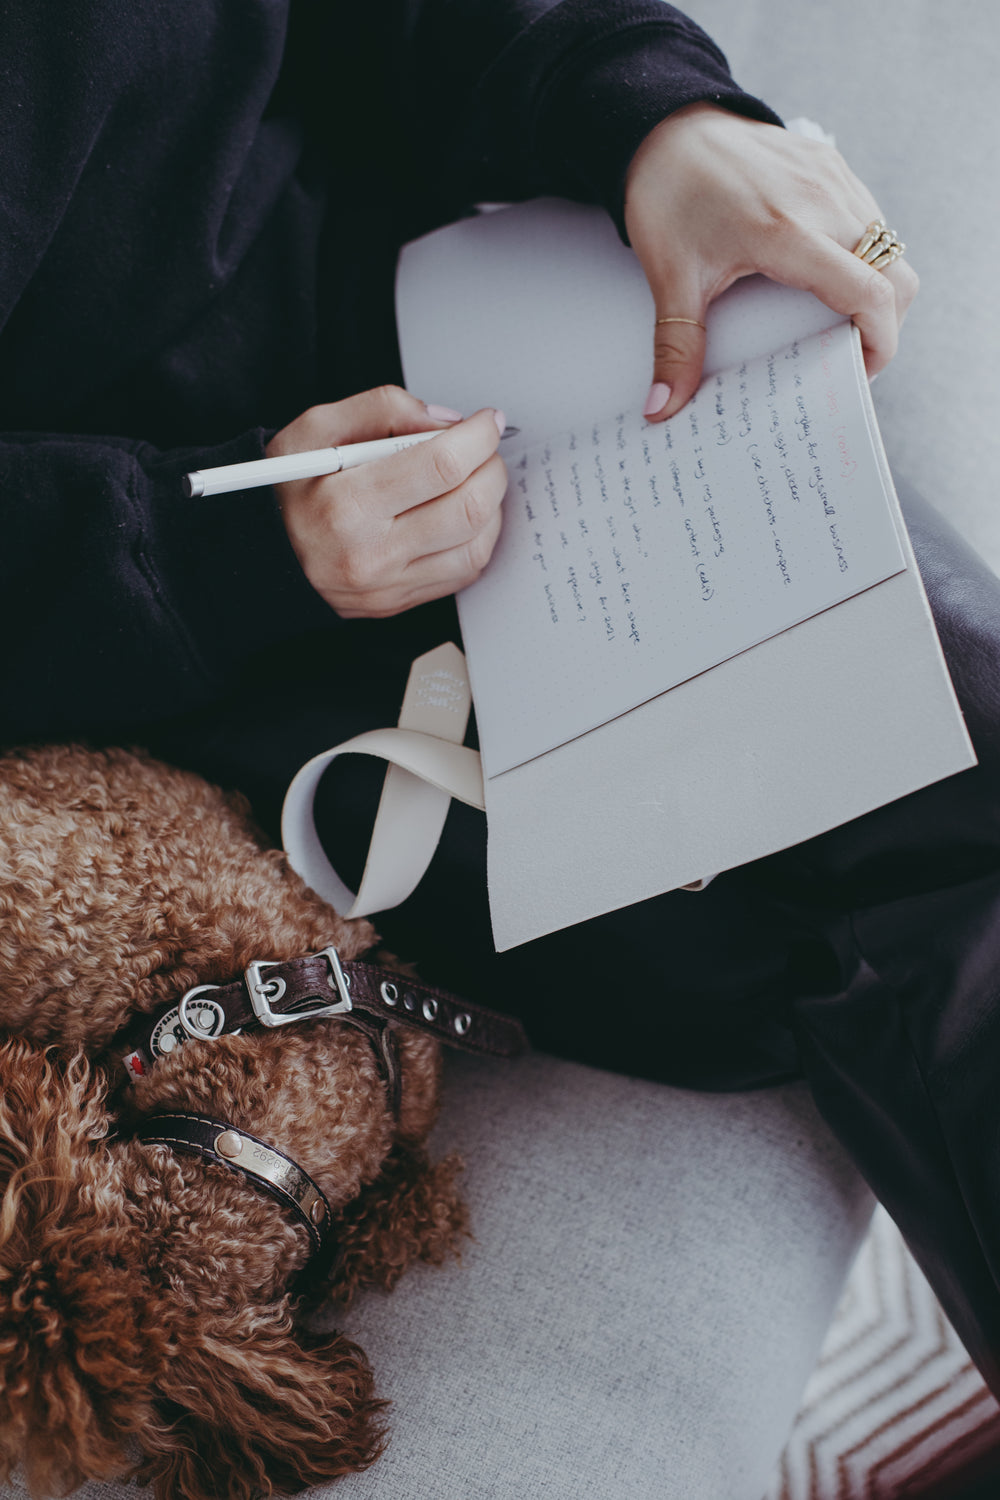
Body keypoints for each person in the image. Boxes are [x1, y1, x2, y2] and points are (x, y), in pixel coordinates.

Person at [3, 0, 1000, 1399]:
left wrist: (658, 113)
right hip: (209, 596)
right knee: (750, 961)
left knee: (960, 760)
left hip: (498, 329)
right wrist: (216, 554)